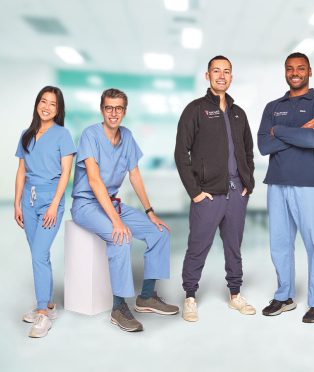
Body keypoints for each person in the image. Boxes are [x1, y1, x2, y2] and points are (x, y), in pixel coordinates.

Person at [71, 88, 177, 332]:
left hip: (112, 202)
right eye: (109, 107)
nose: (113, 113)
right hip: (87, 204)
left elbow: (135, 175)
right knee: (120, 238)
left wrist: (150, 212)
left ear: (124, 111)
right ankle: (118, 308)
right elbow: (95, 181)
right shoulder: (90, 135)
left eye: (118, 108)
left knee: (159, 232)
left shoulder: (127, 136)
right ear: (102, 109)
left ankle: (146, 297)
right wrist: (116, 221)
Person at [174, 56, 256, 322]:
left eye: (227, 71)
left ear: (231, 77)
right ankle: (189, 296)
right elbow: (181, 153)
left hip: (236, 193)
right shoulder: (195, 110)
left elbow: (248, 152)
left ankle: (235, 295)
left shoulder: (238, 113)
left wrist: (248, 183)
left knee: (234, 246)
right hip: (208, 194)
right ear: (207, 75)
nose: (222, 75)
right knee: (198, 246)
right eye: (216, 71)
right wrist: (195, 192)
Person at [257, 52, 314, 323]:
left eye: (300, 68)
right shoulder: (272, 106)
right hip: (276, 183)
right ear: (285, 72)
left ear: (310, 71)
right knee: (279, 243)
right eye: (290, 68)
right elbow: (264, 146)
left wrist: (278, 131)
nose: (295, 72)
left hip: (308, 183)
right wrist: (299, 130)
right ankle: (284, 296)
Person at [14, 86, 75, 338]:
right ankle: (48, 305)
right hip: (28, 200)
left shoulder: (63, 134)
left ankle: (41, 314)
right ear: (37, 104)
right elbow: (21, 171)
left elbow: (66, 173)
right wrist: (16, 202)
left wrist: (54, 205)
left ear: (58, 109)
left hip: (51, 200)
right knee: (39, 254)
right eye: (43, 101)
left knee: (39, 253)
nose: (47, 106)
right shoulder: (26, 134)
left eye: (52, 103)